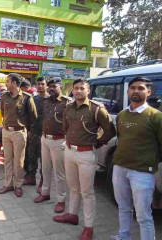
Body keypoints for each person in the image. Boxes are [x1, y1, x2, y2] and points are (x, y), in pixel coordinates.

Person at [112, 77, 162, 240]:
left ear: (149, 92)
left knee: (143, 215)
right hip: (119, 168)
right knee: (123, 207)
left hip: (142, 173)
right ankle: (124, 235)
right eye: (133, 88)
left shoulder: (158, 118)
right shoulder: (122, 115)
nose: (136, 91)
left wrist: (148, 160)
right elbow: (121, 139)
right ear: (128, 91)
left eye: (140, 88)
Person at [56, 79, 116, 240]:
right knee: (73, 187)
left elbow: (110, 130)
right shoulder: (68, 107)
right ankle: (72, 215)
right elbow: (65, 128)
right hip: (69, 151)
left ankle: (88, 227)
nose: (78, 91)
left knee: (87, 192)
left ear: (88, 91)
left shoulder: (96, 109)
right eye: (76, 88)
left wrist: (98, 143)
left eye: (82, 88)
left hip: (86, 154)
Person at [33, 77, 72, 213]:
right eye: (49, 87)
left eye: (54, 86)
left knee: (59, 173)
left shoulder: (67, 103)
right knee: (45, 168)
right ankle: (45, 193)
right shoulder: (46, 101)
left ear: (60, 87)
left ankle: (61, 200)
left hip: (59, 141)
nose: (51, 89)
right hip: (45, 139)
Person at [0, 73, 37, 197]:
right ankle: (8, 184)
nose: (6, 84)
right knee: (7, 160)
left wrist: (26, 130)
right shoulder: (4, 97)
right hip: (6, 131)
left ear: (14, 83)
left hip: (19, 132)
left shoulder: (26, 98)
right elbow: (2, 113)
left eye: (8, 81)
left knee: (19, 161)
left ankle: (18, 185)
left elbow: (33, 116)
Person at [24, 77, 48, 191]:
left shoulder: (51, 99)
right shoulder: (33, 99)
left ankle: (43, 181)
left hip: (45, 134)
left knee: (44, 160)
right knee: (31, 156)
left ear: (46, 85)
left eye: (43, 84)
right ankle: (31, 177)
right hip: (34, 132)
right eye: (38, 84)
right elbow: (28, 116)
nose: (40, 86)